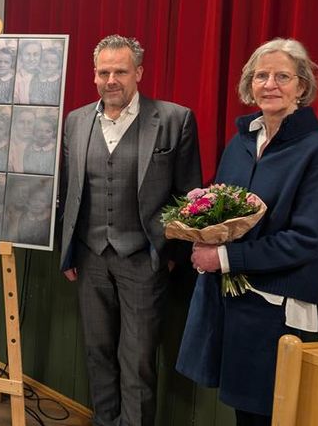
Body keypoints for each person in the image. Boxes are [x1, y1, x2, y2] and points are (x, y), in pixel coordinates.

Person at [176, 39, 318, 426]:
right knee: (243, 414)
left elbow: (308, 240)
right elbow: (222, 208)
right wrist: (200, 224)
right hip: (231, 304)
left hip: (275, 311)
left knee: (268, 416)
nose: (270, 84)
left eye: (282, 76)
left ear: (301, 87)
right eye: (261, 75)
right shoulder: (241, 142)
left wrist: (223, 257)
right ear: (250, 84)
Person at [59, 34, 201, 426]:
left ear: (138, 72)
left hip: (144, 259)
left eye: (120, 71)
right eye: (103, 72)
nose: (111, 79)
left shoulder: (174, 119)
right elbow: (70, 192)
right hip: (90, 258)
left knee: (137, 360)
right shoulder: (76, 121)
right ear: (94, 76)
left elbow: (188, 196)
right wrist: (68, 251)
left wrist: (169, 256)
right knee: (97, 351)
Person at [14, 39, 42, 104]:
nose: (31, 59)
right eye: (27, 54)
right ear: (21, 56)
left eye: (36, 54)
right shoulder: (16, 78)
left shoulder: (45, 75)